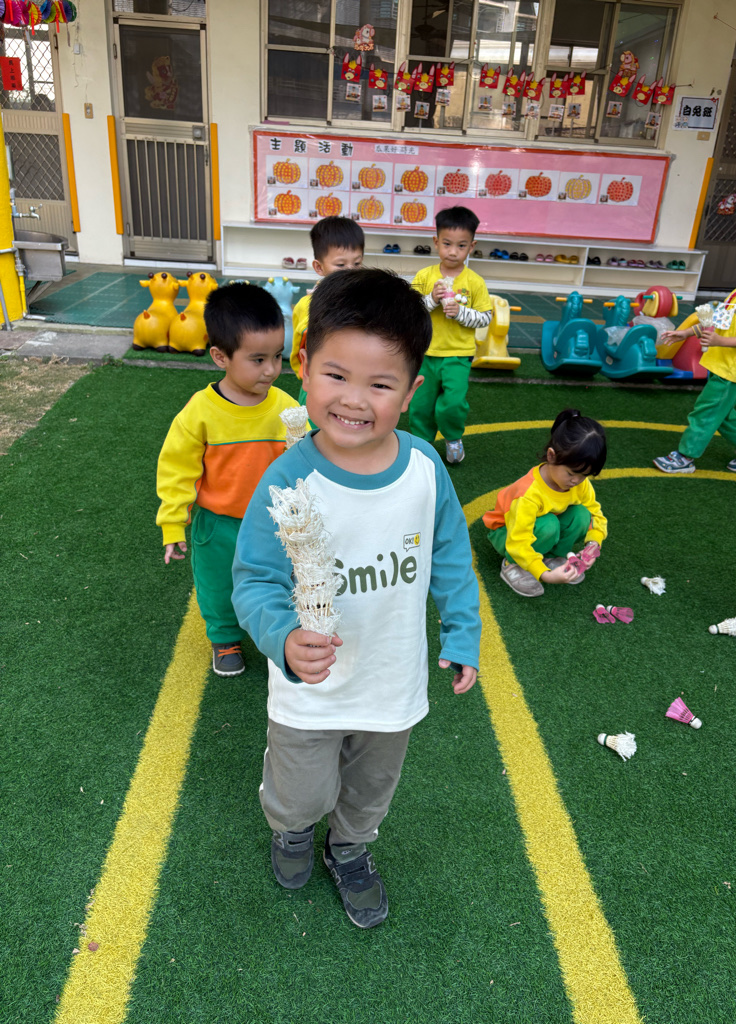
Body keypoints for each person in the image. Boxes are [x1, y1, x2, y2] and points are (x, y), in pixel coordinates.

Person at [232, 268, 480, 929]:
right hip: (309, 687)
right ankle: (291, 829)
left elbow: (450, 556)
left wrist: (462, 631)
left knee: (371, 789)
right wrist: (283, 638)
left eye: (380, 384)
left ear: (412, 390)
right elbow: (254, 579)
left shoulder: (424, 470)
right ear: (304, 367)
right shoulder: (287, 480)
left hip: (390, 680)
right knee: (300, 790)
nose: (354, 400)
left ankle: (349, 847)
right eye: (336, 375)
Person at [156, 283, 300, 677]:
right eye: (258, 359)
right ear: (220, 356)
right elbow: (177, 470)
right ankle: (224, 638)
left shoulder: (287, 407)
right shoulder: (199, 413)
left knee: (277, 580)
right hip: (218, 525)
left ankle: (279, 633)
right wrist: (173, 523)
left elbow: (305, 461)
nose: (271, 369)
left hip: (273, 522)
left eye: (277, 356)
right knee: (218, 585)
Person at [654, 227, 736, 474]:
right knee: (721, 412)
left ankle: (685, 457)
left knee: (705, 413)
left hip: (730, 371)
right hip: (719, 365)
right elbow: (717, 322)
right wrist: (686, 333)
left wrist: (719, 341)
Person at [483, 409, 607, 598]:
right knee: (549, 525)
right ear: (551, 456)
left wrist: (593, 543)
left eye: (584, 475)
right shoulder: (528, 494)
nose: (576, 481)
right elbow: (518, 540)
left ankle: (551, 557)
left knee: (582, 515)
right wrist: (544, 575)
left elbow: (594, 513)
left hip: (542, 526)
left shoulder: (579, 483)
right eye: (571, 473)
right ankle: (512, 565)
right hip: (508, 533)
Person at [408, 205, 493, 464]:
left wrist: (461, 312)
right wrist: (431, 300)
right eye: (447, 244)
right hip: (424, 353)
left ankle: (453, 437)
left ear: (472, 246)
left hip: (458, 355)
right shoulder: (425, 276)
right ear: (436, 242)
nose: (453, 252)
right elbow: (409, 309)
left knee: (453, 403)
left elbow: (485, 317)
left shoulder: (475, 282)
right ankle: (422, 445)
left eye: (461, 245)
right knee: (420, 404)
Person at [290, 216, 365, 405]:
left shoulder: (366, 301)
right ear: (319, 267)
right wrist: (304, 374)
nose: (350, 271)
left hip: (354, 382)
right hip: (318, 382)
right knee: (311, 421)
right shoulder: (308, 305)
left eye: (357, 264)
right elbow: (300, 345)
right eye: (340, 265)